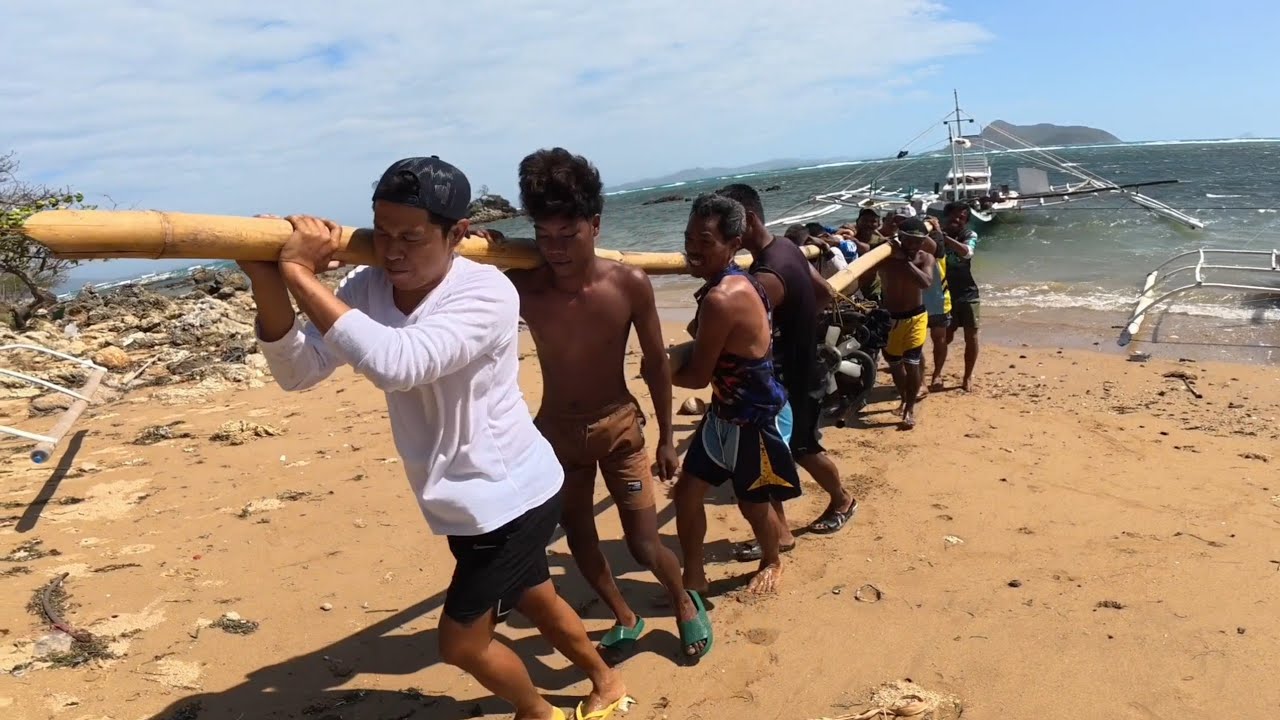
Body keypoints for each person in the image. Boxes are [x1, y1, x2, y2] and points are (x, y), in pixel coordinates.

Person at [241, 156, 628, 720]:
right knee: (535, 595)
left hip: (511, 495)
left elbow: (398, 362)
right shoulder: (367, 285)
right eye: (383, 233)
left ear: (457, 234)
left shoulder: (486, 293)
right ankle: (605, 680)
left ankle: (535, 711)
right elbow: (298, 371)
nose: (393, 251)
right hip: (458, 497)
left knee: (461, 644)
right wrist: (267, 279)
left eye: (413, 238)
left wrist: (301, 274)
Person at [504, 147, 711, 662]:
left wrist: (666, 436)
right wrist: (483, 244)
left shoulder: (628, 284)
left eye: (567, 235)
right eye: (543, 236)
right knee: (579, 538)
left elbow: (658, 363)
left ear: (594, 225)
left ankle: (683, 603)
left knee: (643, 542)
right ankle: (625, 615)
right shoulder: (523, 287)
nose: (554, 249)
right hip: (555, 434)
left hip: (619, 427)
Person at [669, 193, 802, 595]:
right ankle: (693, 575)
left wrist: (661, 369)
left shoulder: (723, 297)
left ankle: (772, 560)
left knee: (752, 504)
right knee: (687, 493)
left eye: (705, 241)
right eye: (689, 237)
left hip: (757, 419)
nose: (693, 248)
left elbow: (695, 377)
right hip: (725, 413)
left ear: (733, 245)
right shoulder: (734, 281)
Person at [716, 183, 859, 553]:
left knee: (801, 448)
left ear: (746, 220)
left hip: (792, 374)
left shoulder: (767, 275)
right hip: (804, 362)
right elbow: (825, 292)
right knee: (776, 450)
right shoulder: (786, 248)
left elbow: (739, 328)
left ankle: (843, 500)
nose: (724, 233)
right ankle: (778, 533)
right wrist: (801, 324)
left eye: (727, 224)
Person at [875, 216, 935, 430]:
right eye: (908, 240)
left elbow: (926, 282)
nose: (912, 246)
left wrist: (904, 261)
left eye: (917, 242)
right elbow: (864, 260)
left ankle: (909, 409)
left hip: (915, 316)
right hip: (890, 318)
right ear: (900, 238)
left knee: (912, 363)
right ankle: (903, 398)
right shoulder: (886, 256)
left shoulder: (925, 258)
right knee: (895, 364)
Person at [939, 202, 980, 391]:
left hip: (968, 292)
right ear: (945, 216)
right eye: (954, 216)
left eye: (962, 217)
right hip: (945, 293)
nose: (957, 220)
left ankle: (967, 377)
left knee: (971, 337)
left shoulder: (969, 235)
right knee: (944, 337)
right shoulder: (935, 235)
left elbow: (967, 253)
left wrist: (946, 239)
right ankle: (937, 373)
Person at [919, 215, 951, 397]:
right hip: (918, 304)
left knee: (939, 340)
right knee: (917, 345)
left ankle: (937, 375)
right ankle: (921, 380)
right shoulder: (913, 254)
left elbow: (935, 244)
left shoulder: (938, 255)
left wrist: (936, 228)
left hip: (939, 302)